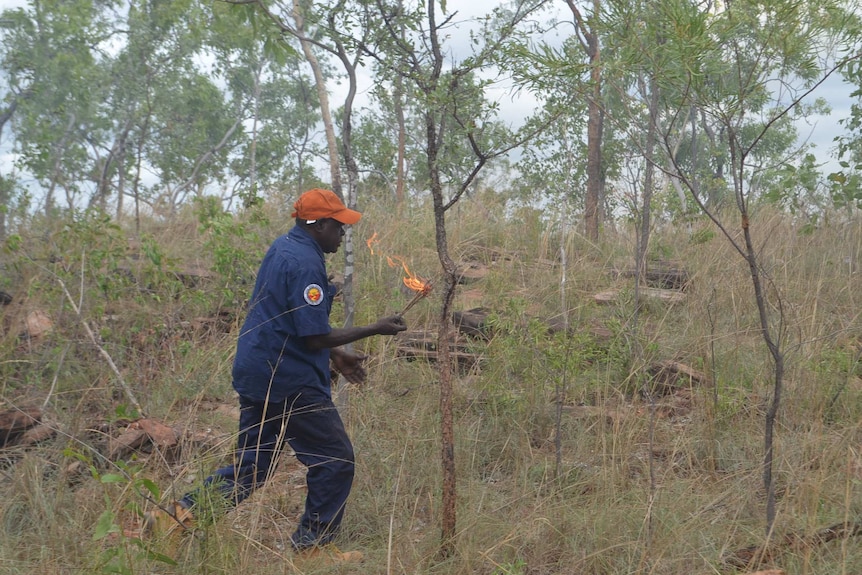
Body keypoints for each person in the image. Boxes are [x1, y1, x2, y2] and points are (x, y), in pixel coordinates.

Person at [146, 188, 407, 562]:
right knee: (335, 460)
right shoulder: (304, 263)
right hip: (288, 381)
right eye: (338, 225)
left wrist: (338, 356)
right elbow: (313, 334)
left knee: (253, 467)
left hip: (259, 371)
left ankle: (175, 517)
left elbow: (291, 321)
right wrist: (374, 328)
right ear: (316, 224)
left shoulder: (285, 247)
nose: (342, 233)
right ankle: (312, 550)